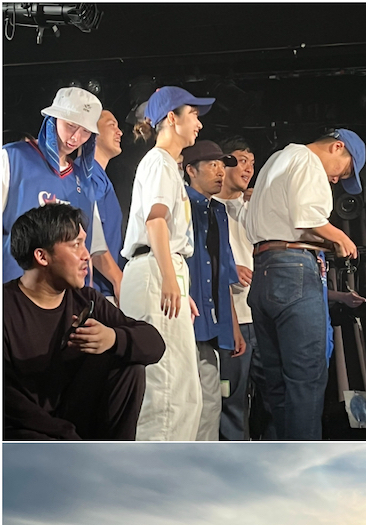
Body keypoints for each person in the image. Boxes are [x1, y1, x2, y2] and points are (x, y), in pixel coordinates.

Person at [242, 128, 365, 440]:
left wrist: (327, 245)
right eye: (346, 169)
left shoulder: (277, 159)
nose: (337, 180)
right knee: (306, 383)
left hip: (265, 268)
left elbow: (274, 225)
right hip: (294, 271)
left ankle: (283, 465)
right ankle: (307, 472)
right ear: (337, 147)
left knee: (278, 387)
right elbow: (308, 218)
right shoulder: (309, 161)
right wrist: (341, 237)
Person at [4, 204, 165, 440]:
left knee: (129, 364)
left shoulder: (87, 300)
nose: (86, 255)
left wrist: (112, 338)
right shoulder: (6, 306)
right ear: (42, 256)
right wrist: (66, 437)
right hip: (25, 434)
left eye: (84, 243)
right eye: (75, 245)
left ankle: (116, 460)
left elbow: (154, 345)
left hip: (78, 430)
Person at [119, 85, 215, 441]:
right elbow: (155, 221)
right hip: (156, 269)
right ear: (171, 119)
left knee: (180, 387)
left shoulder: (164, 165)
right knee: (167, 388)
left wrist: (178, 282)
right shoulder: (159, 161)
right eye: (193, 115)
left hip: (161, 268)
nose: (199, 124)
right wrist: (170, 279)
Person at [2, 86, 123, 291]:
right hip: (14, 294)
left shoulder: (84, 183)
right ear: (53, 119)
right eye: (70, 125)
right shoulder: (12, 159)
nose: (75, 138)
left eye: (85, 131)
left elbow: (91, 248)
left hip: (64, 302)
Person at [182, 139, 245, 441]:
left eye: (223, 165)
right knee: (182, 401)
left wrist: (232, 326)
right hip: (181, 320)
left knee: (211, 400)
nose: (221, 172)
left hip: (209, 325)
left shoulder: (218, 211)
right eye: (213, 165)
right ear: (190, 170)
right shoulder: (177, 204)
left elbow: (223, 272)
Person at [214, 137, 275, 440]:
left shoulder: (254, 206)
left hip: (263, 318)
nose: (249, 168)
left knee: (276, 397)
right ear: (223, 164)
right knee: (230, 399)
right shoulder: (206, 208)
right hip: (231, 320)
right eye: (241, 159)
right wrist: (227, 269)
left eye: (252, 162)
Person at [91, 109, 125, 301]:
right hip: (99, 290)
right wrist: (118, 279)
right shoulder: (89, 176)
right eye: (112, 125)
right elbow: (90, 236)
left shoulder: (100, 178)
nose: (119, 132)